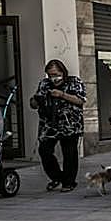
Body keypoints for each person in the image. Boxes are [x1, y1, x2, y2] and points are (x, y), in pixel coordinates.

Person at [30, 59, 86, 192]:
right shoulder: (44, 84)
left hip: (69, 123)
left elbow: (81, 100)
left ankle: (69, 182)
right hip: (49, 124)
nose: (53, 78)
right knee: (44, 151)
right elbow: (34, 102)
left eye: (55, 74)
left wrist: (62, 95)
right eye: (50, 75)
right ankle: (57, 177)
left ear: (62, 72)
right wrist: (35, 101)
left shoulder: (74, 82)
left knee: (69, 153)